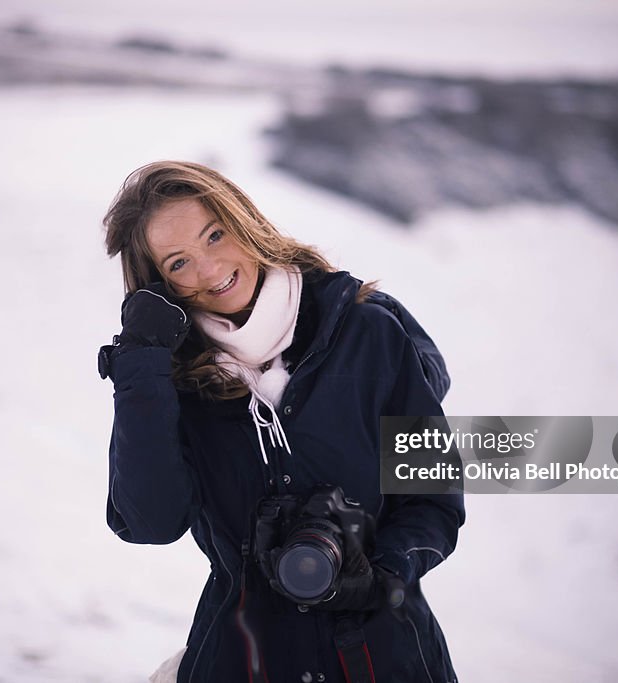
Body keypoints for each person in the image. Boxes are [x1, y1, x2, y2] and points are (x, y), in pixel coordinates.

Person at [98, 160, 465, 683]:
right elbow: (152, 522)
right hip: (242, 662)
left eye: (215, 235)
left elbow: (433, 504)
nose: (208, 271)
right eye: (178, 263)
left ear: (245, 221)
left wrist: (379, 576)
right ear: (160, 286)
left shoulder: (368, 334)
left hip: (387, 659)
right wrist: (139, 364)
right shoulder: (171, 381)